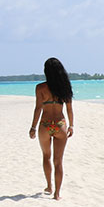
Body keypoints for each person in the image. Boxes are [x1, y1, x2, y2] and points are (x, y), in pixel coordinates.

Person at [29, 57, 74, 199]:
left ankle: (49, 185)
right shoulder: (65, 87)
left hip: (45, 125)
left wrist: (33, 127)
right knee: (58, 160)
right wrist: (71, 125)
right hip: (60, 125)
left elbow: (38, 109)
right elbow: (69, 109)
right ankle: (57, 194)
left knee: (46, 156)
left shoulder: (40, 88)